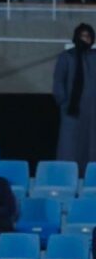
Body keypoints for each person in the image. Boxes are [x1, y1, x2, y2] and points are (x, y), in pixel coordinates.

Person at [53, 23, 96, 169]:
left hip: (92, 111)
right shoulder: (67, 57)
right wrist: (63, 102)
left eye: (88, 36)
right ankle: (67, 178)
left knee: (91, 146)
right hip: (71, 111)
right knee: (69, 146)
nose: (86, 39)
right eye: (83, 36)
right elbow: (58, 81)